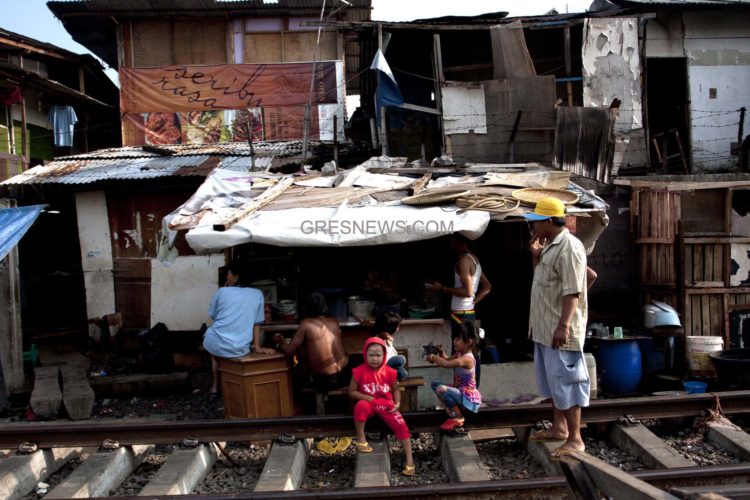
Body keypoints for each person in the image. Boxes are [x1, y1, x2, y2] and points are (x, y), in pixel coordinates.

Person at [524, 197, 590, 459]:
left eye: (537, 222)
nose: (534, 227)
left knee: (568, 381)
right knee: (554, 382)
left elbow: (573, 290)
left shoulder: (570, 247)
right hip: (545, 327)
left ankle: (576, 438)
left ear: (549, 221)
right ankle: (559, 428)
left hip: (559, 330)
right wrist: (536, 256)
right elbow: (543, 281)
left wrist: (564, 326)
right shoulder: (551, 246)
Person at [427, 233, 492, 384]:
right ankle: (470, 389)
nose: (449, 244)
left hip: (460, 313)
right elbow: (487, 287)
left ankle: (464, 390)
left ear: (459, 241)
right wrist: (473, 302)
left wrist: (441, 288)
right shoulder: (474, 259)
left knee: (461, 352)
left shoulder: (464, 261)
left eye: (451, 240)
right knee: (470, 352)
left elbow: (467, 291)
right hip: (467, 312)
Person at [203, 264, 275, 394]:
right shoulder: (257, 294)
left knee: (214, 356)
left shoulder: (222, 291)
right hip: (240, 348)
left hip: (216, 343)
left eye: (228, 274)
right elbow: (257, 323)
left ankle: (215, 386)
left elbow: (213, 315)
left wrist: (224, 291)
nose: (227, 276)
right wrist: (257, 347)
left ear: (236, 277)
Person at [349, 337, 415, 476]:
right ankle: (360, 438)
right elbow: (352, 392)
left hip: (386, 405)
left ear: (384, 355)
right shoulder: (359, 371)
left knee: (402, 426)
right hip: (369, 404)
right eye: (371, 355)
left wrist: (397, 403)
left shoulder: (390, 372)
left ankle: (409, 460)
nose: (374, 359)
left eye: (378, 355)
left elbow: (395, 389)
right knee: (361, 406)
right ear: (365, 355)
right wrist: (369, 398)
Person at [273, 293, 351, 392]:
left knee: (295, 370)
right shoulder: (334, 321)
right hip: (345, 375)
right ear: (325, 307)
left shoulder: (306, 323)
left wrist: (278, 342)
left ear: (305, 308)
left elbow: (289, 351)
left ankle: (298, 405)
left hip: (326, 380)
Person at [426, 321, 482, 431]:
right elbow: (447, 360)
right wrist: (441, 354)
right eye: (454, 338)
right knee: (435, 383)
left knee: (441, 389)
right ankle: (450, 407)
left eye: (457, 339)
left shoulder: (467, 359)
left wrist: (433, 357)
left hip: (467, 399)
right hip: (459, 393)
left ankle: (458, 415)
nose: (454, 341)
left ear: (468, 342)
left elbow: (446, 364)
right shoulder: (459, 354)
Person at [373, 311, 408, 381]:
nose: (398, 329)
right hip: (381, 368)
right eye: (397, 327)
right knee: (401, 359)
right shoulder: (378, 340)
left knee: (403, 373)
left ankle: (389, 376)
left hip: (389, 367)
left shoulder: (387, 338)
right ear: (390, 327)